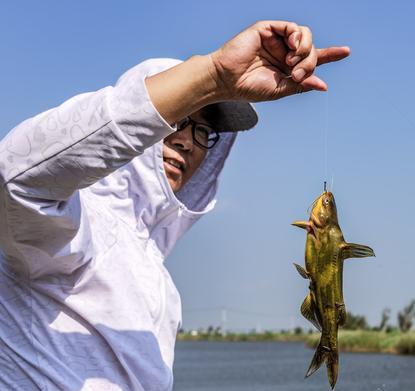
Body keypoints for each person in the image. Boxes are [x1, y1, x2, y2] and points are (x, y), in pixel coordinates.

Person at [0, 21, 349, 390]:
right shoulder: (69, 221)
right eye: (176, 120)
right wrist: (212, 76)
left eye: (203, 131)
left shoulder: (151, 262)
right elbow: (16, 174)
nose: (187, 142)